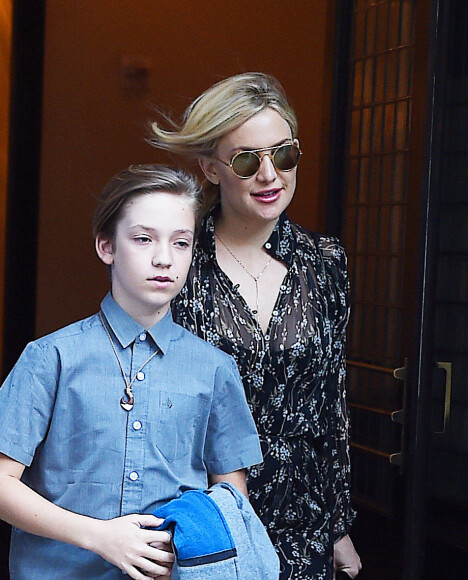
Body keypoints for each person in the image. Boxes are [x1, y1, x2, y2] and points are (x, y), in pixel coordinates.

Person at [0, 164, 263, 579]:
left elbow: (232, 498)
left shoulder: (214, 368)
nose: (164, 258)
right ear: (107, 246)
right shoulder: (49, 357)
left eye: (181, 243)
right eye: (143, 239)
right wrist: (100, 536)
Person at [150, 72, 362, 579]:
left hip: (303, 526)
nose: (270, 174)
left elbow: (330, 403)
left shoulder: (324, 260)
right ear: (211, 168)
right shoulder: (178, 260)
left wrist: (338, 525)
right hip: (202, 524)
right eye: (247, 159)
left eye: (283, 154)